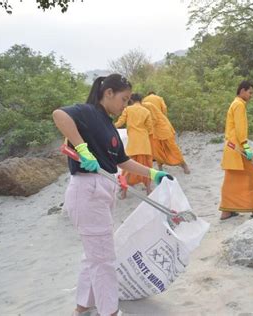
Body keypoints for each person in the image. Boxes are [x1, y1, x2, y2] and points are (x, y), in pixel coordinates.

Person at [52, 74, 172, 316]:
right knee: (104, 258)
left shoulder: (109, 125)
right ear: (108, 93)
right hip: (87, 189)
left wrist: (153, 173)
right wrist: (83, 149)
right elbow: (59, 115)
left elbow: (123, 161)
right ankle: (110, 312)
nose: (125, 106)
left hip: (104, 190)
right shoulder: (86, 112)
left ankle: (84, 306)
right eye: (124, 99)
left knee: (94, 254)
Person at [219, 80, 253, 220]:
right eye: (250, 92)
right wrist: (246, 146)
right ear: (242, 91)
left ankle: (227, 211)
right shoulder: (239, 105)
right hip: (237, 147)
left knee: (231, 179)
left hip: (231, 147)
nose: (251, 96)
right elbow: (240, 128)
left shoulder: (235, 103)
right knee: (252, 176)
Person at [115, 93, 154, 195]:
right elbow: (150, 129)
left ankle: (124, 192)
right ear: (141, 101)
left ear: (131, 101)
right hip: (144, 142)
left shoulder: (127, 109)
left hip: (133, 143)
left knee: (127, 168)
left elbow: (120, 122)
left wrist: (110, 127)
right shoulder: (146, 111)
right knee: (147, 166)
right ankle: (149, 190)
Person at [141, 98, 190, 174]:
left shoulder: (147, 105)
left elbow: (154, 119)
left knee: (172, 148)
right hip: (152, 131)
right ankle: (160, 167)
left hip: (162, 128)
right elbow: (164, 109)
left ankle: (183, 164)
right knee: (156, 150)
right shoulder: (136, 108)